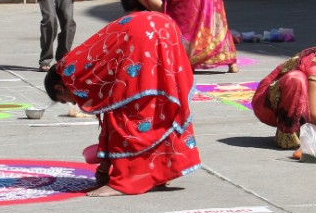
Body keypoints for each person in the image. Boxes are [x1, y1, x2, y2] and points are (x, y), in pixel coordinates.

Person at [44, 11, 200, 196]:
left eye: (65, 100)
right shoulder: (72, 65)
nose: (73, 103)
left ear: (60, 88)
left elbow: (111, 108)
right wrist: (104, 165)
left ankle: (125, 182)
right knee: (158, 107)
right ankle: (159, 173)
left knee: (128, 115)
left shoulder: (72, 74)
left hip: (143, 35)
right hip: (162, 26)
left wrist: (105, 165)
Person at [121, 0, 239, 73]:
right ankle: (231, 63)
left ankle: (187, 61)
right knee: (214, 19)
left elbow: (164, 13)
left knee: (182, 25)